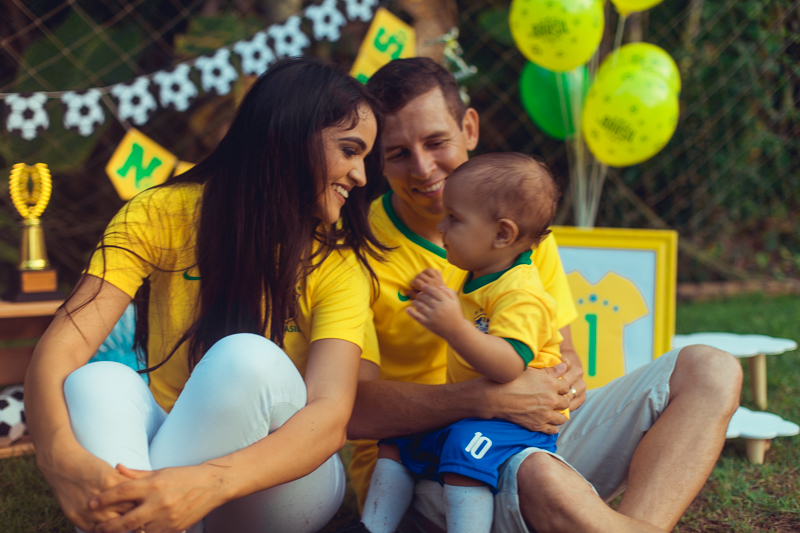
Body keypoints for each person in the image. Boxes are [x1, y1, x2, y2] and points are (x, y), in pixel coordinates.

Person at [346, 57, 743, 533]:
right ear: (377, 159)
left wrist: (564, 382)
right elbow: (351, 409)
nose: (425, 167)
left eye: (436, 142)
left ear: (469, 128)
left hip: (529, 436)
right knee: (536, 473)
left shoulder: (518, 231)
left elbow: (566, 353)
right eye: (398, 153)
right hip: (427, 468)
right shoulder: (358, 249)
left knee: (711, 369)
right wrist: (484, 400)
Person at [25, 57, 384, 533]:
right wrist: (62, 459)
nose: (360, 175)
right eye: (350, 150)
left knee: (246, 357)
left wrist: (202, 484)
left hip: (277, 483)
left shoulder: (337, 261)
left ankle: (143, 513)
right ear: (291, 134)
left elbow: (329, 416)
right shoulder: (159, 212)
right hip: (163, 455)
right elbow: (61, 350)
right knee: (97, 381)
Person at [361, 153, 569, 533]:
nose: (441, 227)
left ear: (503, 234)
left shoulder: (522, 293)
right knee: (395, 442)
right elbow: (471, 312)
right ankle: (372, 528)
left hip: (519, 422)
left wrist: (454, 327)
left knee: (462, 448)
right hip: (476, 412)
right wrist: (439, 291)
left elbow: (508, 364)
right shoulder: (476, 274)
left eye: (454, 219)